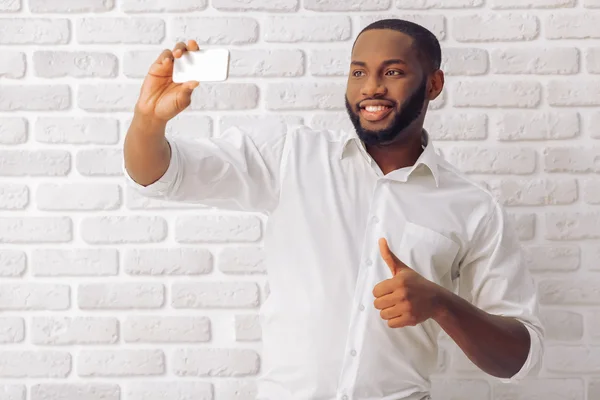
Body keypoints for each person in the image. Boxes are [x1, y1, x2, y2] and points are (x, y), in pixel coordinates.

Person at [123, 18, 544, 400]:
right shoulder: (292, 155)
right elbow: (161, 176)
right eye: (358, 71)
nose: (371, 87)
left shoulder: (473, 207)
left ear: (433, 85)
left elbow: (519, 358)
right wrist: (148, 119)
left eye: (392, 72)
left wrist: (440, 303)